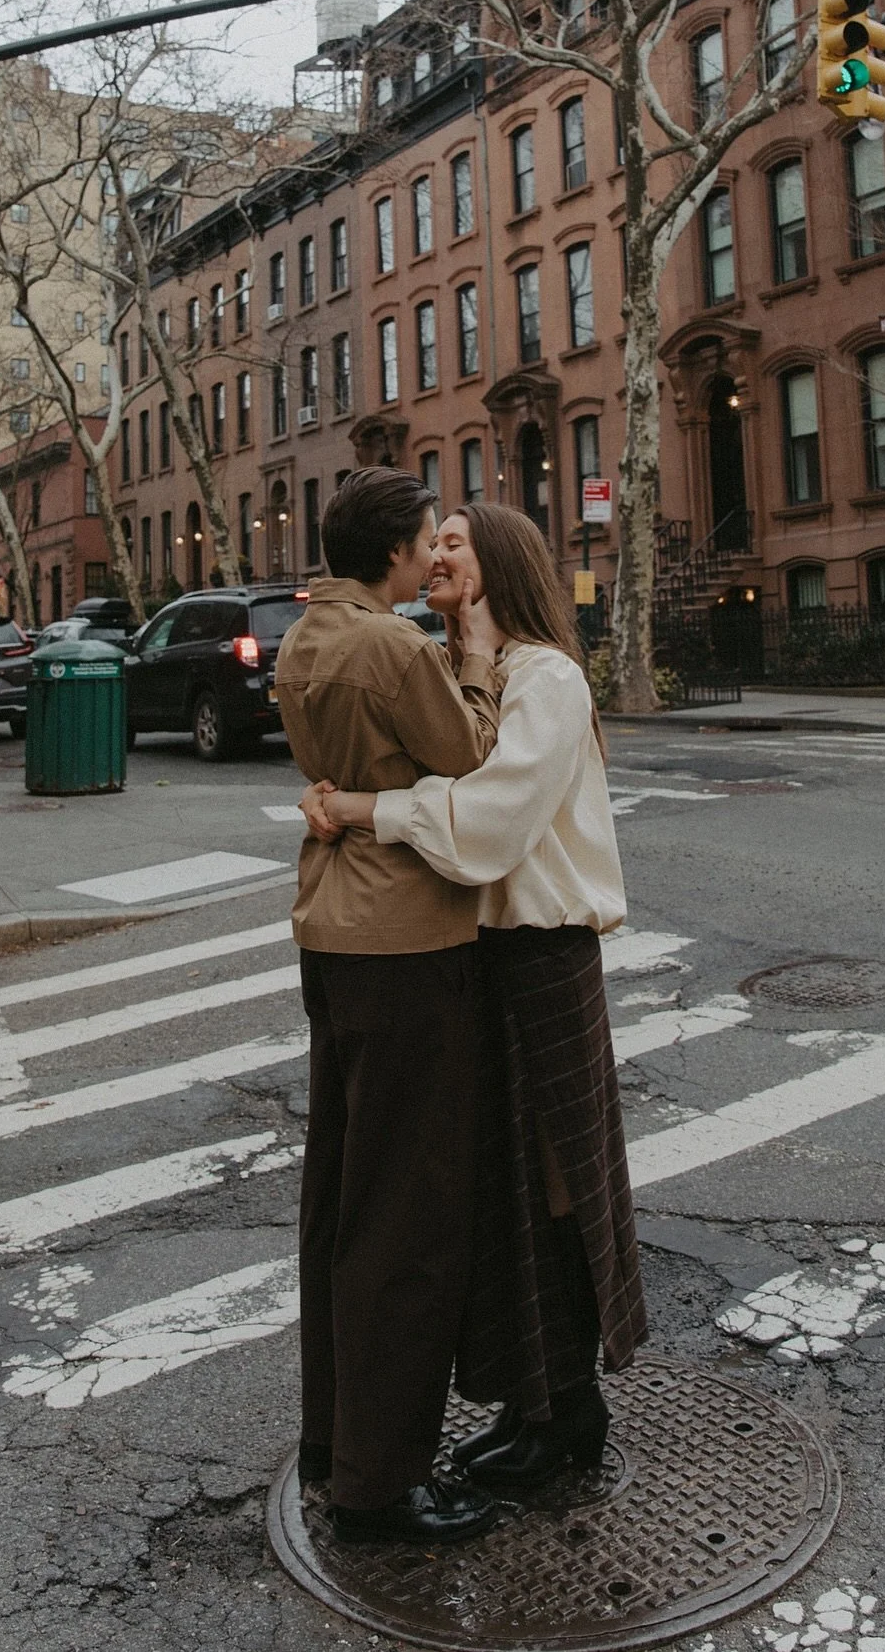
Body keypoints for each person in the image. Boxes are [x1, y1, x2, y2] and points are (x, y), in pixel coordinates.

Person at [302, 502, 647, 1494]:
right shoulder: (446, 675)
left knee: (554, 1185)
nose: (436, 552)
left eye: (455, 540)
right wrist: (331, 790)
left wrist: (367, 810)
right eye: (432, 540)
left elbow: (490, 824)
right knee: (492, 1192)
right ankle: (531, 1403)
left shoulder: (547, 678)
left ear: (500, 562)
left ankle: (568, 1405)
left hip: (540, 954)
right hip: (463, 953)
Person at [273, 468, 506, 1546]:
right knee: (407, 1209)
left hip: (330, 927)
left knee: (340, 1190)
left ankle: (334, 1435)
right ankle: (380, 1481)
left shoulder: (303, 639)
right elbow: (467, 755)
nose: (432, 556)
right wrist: (470, 655)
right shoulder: (397, 645)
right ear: (393, 552)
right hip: (407, 935)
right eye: (423, 539)